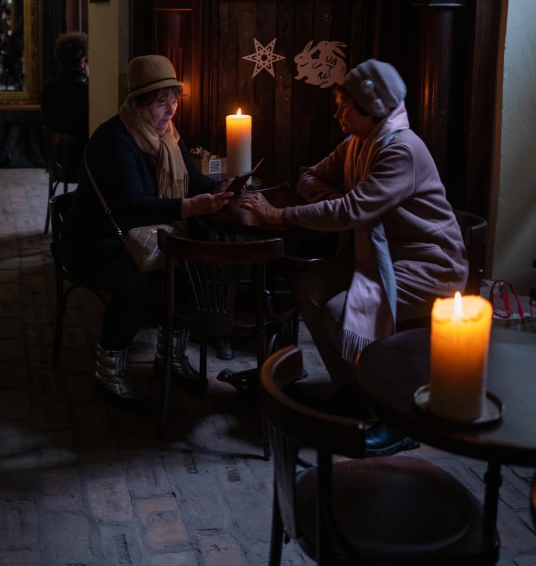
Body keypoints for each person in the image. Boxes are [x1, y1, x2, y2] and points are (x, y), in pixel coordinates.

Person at [241, 59, 469, 453]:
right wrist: (339, 199)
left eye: (344, 106)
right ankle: (351, 389)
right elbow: (310, 176)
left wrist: (279, 214)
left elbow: (350, 212)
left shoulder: (401, 149)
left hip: (428, 264)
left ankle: (395, 417)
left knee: (341, 311)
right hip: (378, 254)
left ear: (372, 108)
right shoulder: (357, 143)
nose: (337, 113)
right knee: (309, 287)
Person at [65, 55, 234, 410]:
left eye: (173, 98)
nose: (171, 108)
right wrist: (189, 208)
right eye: (161, 101)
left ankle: (169, 357)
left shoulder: (167, 135)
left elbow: (191, 180)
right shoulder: (115, 139)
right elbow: (132, 204)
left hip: (141, 232)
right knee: (133, 285)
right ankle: (109, 375)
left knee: (191, 267)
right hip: (97, 241)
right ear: (139, 104)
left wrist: (220, 188)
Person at [41, 32, 90, 170]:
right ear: (82, 62)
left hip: (57, 161)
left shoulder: (48, 87)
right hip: (82, 162)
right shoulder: (85, 92)